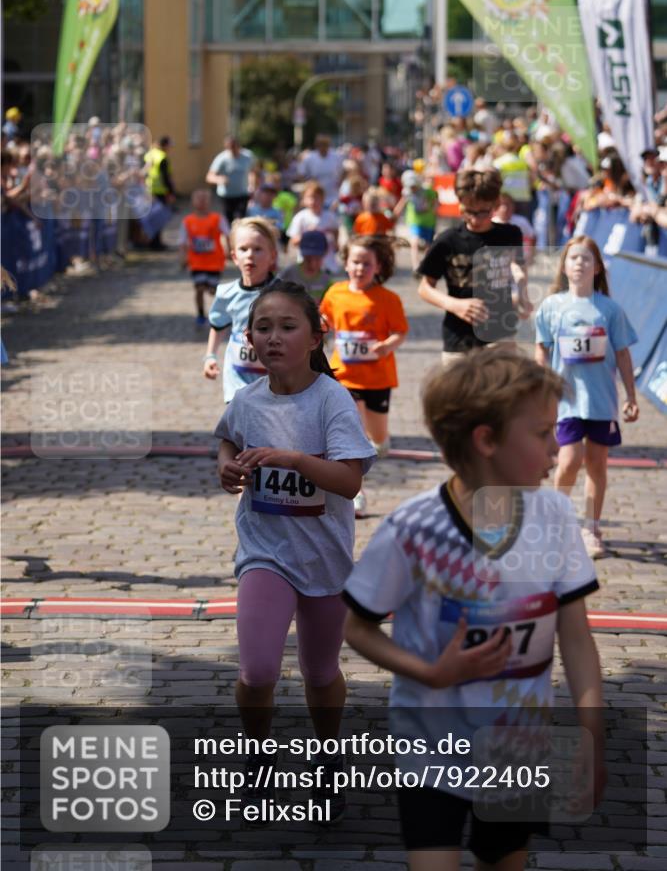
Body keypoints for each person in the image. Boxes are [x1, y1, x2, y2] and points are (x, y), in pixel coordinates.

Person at [344, 347, 605, 869]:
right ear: (486, 440)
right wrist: (431, 672)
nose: (557, 447)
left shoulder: (553, 514)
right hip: (428, 753)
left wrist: (591, 734)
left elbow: (575, 638)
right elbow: (356, 627)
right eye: (541, 433)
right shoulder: (413, 529)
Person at [215, 280, 375, 819]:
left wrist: (293, 459)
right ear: (249, 338)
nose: (274, 338)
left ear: (314, 336)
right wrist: (226, 465)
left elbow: (350, 482)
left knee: (319, 671)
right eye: (264, 328)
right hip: (265, 552)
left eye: (287, 327)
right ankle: (256, 761)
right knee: (258, 670)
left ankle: (327, 764)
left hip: (324, 559)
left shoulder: (332, 400)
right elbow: (228, 437)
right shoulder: (246, 400)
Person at [535, 235, 639, 559]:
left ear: (597, 269)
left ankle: (592, 527)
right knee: (567, 461)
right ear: (564, 265)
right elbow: (542, 348)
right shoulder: (551, 306)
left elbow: (622, 354)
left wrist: (630, 397)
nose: (579, 263)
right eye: (574, 257)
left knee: (596, 464)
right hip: (566, 400)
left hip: (601, 401)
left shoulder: (609, 309)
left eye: (587, 258)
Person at [320, 234, 408, 516]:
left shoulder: (387, 299)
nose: (360, 268)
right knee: (352, 433)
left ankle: (380, 442)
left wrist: (386, 346)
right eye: (355, 262)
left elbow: (399, 331)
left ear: (378, 267)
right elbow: (324, 322)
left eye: (366, 264)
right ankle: (357, 492)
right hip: (344, 376)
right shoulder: (335, 293)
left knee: (378, 439)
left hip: (378, 378)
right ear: (345, 263)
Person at [418, 169, 532, 369]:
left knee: (502, 396)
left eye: (483, 212)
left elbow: (517, 266)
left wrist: (522, 291)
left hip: (500, 335)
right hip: (459, 339)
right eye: (469, 211)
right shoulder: (447, 240)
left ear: (496, 204)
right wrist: (455, 305)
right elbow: (425, 288)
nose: (475, 219)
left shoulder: (511, 234)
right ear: (460, 204)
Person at [203, 217, 278, 402]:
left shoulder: (283, 293)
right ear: (235, 257)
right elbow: (218, 325)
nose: (250, 255)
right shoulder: (226, 293)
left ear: (272, 256)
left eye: (258, 249)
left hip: (274, 379)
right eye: (243, 249)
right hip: (237, 380)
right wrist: (210, 356)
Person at [178, 188, 230, 325]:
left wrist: (228, 250)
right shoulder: (187, 221)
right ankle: (201, 314)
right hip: (196, 262)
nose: (201, 202)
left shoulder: (217, 219)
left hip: (215, 261)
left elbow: (227, 235)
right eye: (198, 199)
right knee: (199, 288)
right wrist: (183, 258)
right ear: (192, 202)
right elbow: (182, 242)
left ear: (210, 202)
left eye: (204, 199)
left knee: (213, 290)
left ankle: (218, 312)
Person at [286, 180, 340, 273]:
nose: (313, 201)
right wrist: (309, 235)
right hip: (307, 261)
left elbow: (335, 231)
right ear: (303, 200)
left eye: (317, 198)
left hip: (327, 262)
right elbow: (293, 240)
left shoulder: (329, 216)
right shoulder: (301, 217)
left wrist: (334, 241)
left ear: (323, 199)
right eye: (310, 197)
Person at [393, 168, 438, 274]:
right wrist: (395, 213)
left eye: (414, 186)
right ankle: (416, 266)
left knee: (428, 245)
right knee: (414, 242)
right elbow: (402, 203)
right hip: (415, 221)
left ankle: (427, 265)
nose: (412, 188)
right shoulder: (407, 193)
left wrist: (432, 207)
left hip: (428, 221)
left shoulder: (427, 191)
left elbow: (435, 200)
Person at [206, 136, 257, 227]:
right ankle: (230, 237)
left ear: (239, 146)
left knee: (241, 219)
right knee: (228, 220)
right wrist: (219, 179)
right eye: (230, 148)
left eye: (234, 147)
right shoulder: (221, 159)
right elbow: (209, 176)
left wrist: (252, 185)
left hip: (242, 193)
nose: (233, 150)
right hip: (227, 195)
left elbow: (252, 171)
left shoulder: (247, 156)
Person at [280, 230, 332, 304]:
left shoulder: (327, 279)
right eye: (308, 259)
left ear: (325, 253)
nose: (312, 264)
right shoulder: (288, 273)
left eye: (317, 258)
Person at [143, 135, 176, 250]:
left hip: (148, 190)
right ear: (165, 145)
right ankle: (157, 243)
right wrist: (170, 193)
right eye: (169, 146)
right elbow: (165, 177)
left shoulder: (150, 154)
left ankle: (152, 241)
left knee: (152, 217)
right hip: (160, 191)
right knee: (160, 217)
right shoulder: (162, 157)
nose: (170, 148)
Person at [299, 134, 343, 208]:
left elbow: (343, 172)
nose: (323, 147)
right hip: (315, 199)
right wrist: (309, 186)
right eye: (321, 144)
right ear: (317, 145)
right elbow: (301, 174)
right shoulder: (309, 158)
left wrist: (340, 183)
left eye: (325, 144)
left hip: (332, 197)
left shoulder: (336, 156)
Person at [493, 192, 536, 266]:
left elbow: (532, 237)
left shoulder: (521, 221)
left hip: (518, 260)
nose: (505, 208)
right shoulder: (492, 222)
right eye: (502, 205)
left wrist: (531, 255)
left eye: (508, 205)